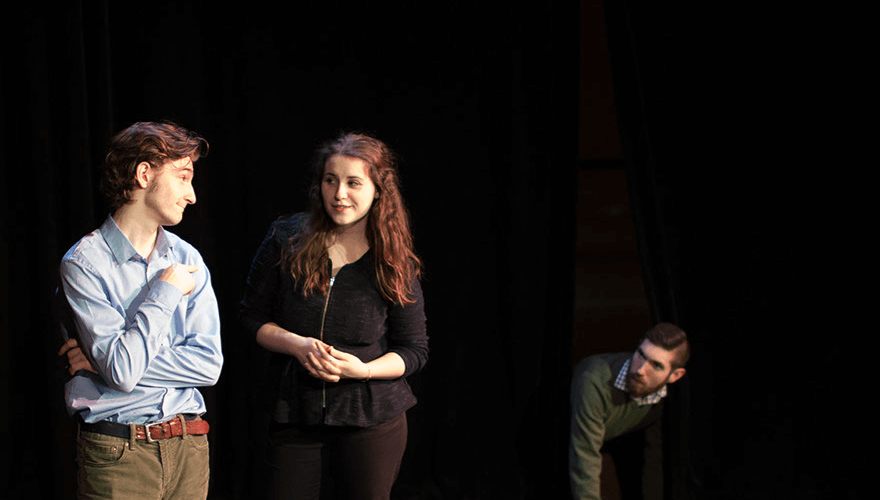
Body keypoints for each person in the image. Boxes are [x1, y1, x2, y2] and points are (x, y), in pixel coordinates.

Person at [240, 132, 428, 500]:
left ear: (378, 190)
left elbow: (414, 349)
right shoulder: (286, 237)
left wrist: (363, 370)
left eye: (353, 183)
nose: (339, 194)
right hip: (296, 412)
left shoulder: (393, 259)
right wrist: (297, 345)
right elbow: (251, 317)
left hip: (371, 418)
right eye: (331, 180)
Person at [57, 121, 223, 499]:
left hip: (188, 444)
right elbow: (121, 372)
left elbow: (209, 365)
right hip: (119, 452)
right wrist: (166, 290)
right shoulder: (84, 263)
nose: (192, 195)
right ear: (145, 174)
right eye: (183, 177)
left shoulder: (187, 257)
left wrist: (103, 362)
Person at [569, 322, 689, 500]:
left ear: (675, 375)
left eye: (656, 365)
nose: (640, 370)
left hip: (614, 439)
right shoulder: (595, 379)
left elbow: (653, 459)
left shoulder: (661, 398)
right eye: (641, 354)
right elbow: (584, 455)